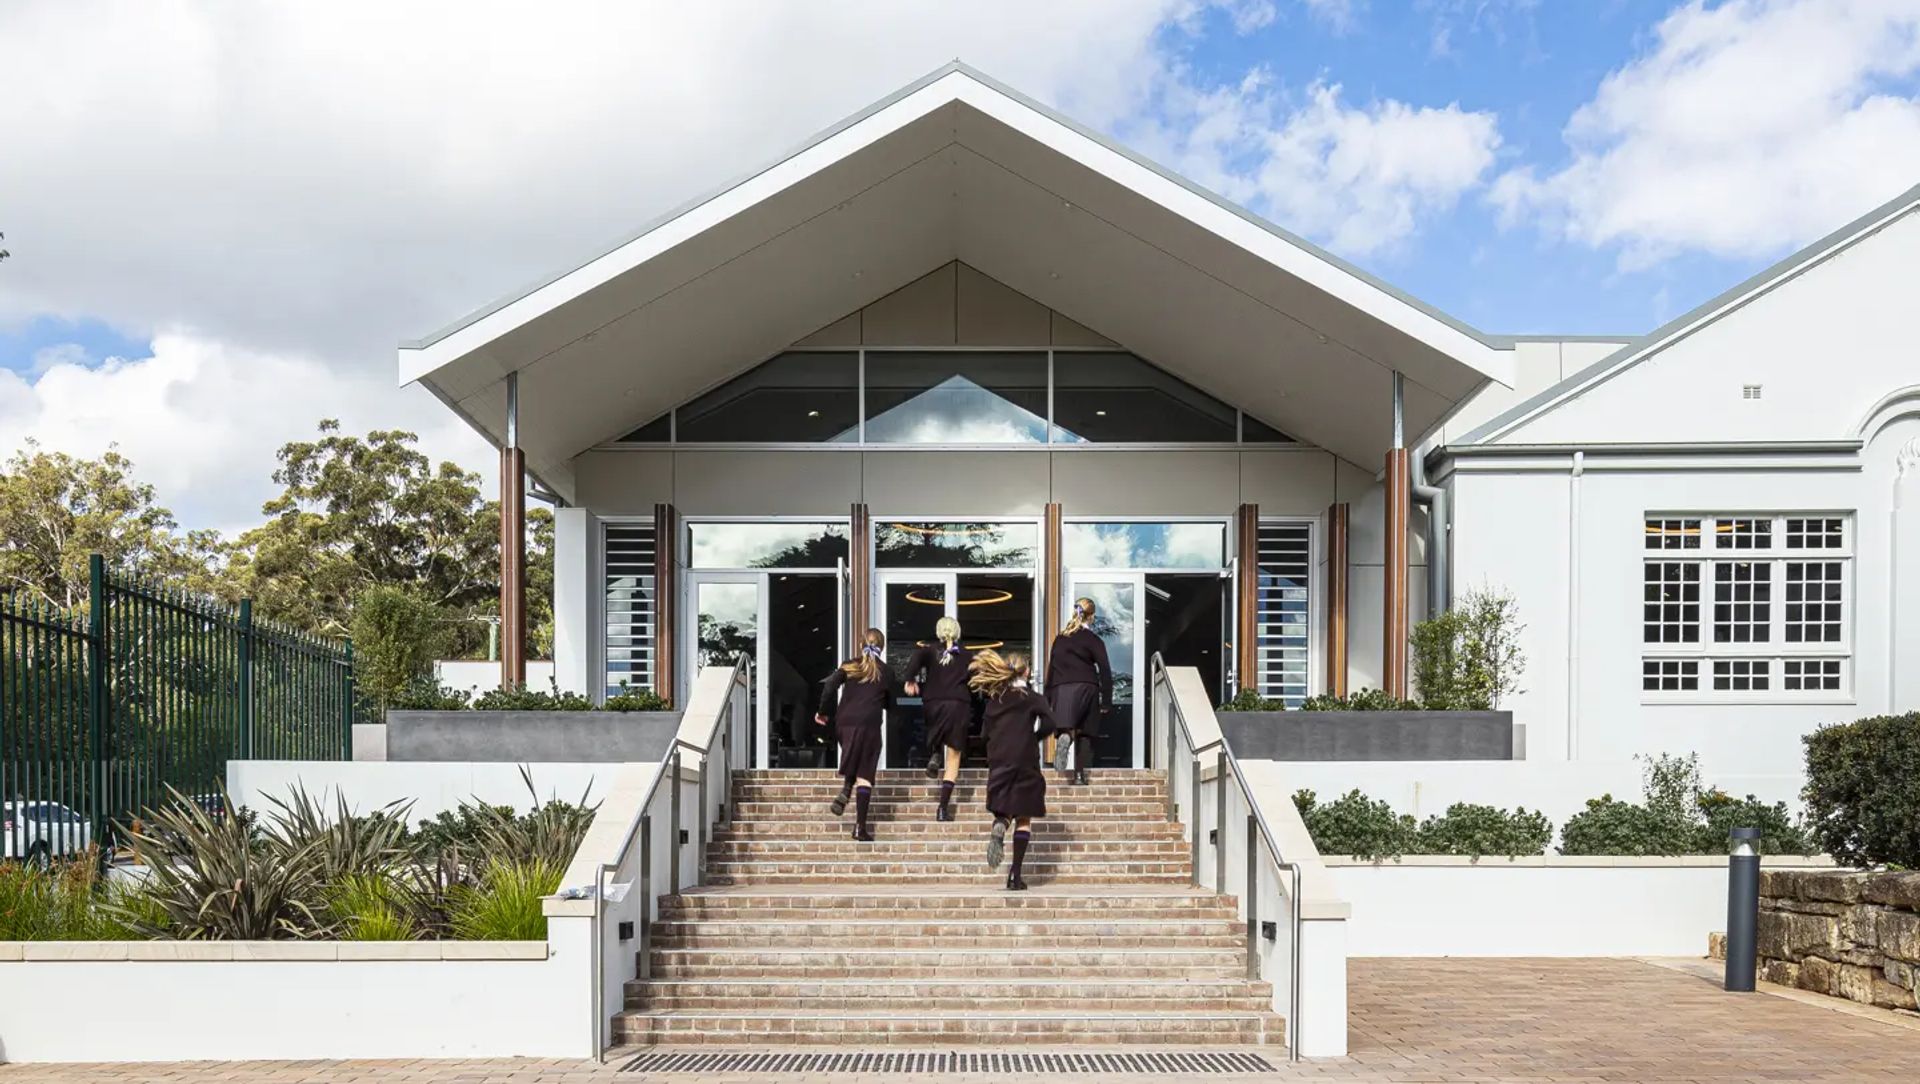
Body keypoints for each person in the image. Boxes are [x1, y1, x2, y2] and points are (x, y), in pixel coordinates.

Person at [969, 648, 1055, 891]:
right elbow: (1051, 723)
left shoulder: (996, 698)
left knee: (1005, 807)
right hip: (1025, 759)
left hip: (1000, 758)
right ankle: (1015, 876)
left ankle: (1000, 825)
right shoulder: (1033, 697)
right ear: (1027, 671)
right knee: (1024, 815)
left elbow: (984, 734)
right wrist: (1034, 737)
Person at [815, 628, 895, 842]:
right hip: (868, 724)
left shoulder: (849, 665)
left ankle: (847, 788)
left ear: (861, 645)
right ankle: (860, 828)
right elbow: (891, 703)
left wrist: (822, 711)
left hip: (845, 723)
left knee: (854, 753)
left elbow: (830, 684)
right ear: (883, 647)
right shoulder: (886, 672)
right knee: (865, 773)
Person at [902, 616, 973, 822]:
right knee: (954, 756)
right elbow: (976, 675)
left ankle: (934, 754)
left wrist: (910, 679)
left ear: (938, 632)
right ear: (957, 633)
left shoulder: (929, 651)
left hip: (933, 702)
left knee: (935, 731)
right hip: (958, 703)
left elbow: (915, 658)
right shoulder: (966, 655)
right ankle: (942, 808)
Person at [1045, 596, 1112, 786]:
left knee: (1067, 725)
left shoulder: (1059, 639)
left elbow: (1052, 669)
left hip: (1061, 688)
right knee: (1085, 732)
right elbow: (1105, 670)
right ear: (1091, 617)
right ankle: (1080, 776)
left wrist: (1048, 698)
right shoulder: (1093, 639)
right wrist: (1106, 701)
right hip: (1086, 686)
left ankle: (1065, 734)